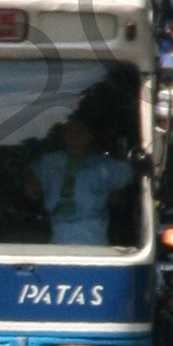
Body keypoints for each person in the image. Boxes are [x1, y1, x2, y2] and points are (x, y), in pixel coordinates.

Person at [40, 102, 129, 244]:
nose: (74, 138)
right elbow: (30, 185)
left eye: (79, 133)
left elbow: (133, 188)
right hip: (56, 245)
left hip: (93, 246)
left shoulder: (108, 167)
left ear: (90, 136)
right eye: (69, 132)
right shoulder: (50, 163)